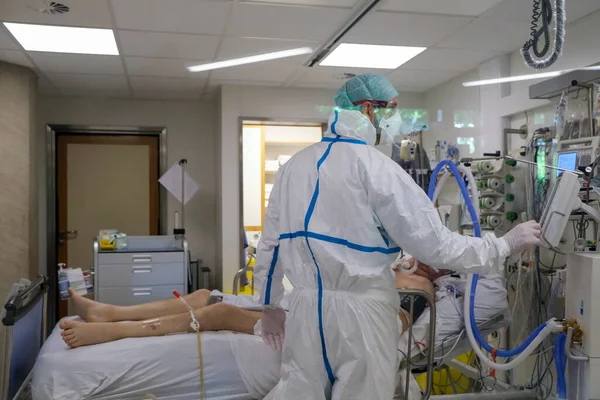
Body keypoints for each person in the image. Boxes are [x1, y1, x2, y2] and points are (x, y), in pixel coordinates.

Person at [253, 73, 541, 400]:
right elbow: (436, 245)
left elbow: (271, 244)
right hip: (361, 314)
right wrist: (503, 245)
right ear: (368, 110)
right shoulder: (377, 169)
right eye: (392, 108)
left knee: (300, 394)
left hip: (304, 310)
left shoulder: (294, 166)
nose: (397, 119)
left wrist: (269, 305)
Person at [59, 268, 434, 348]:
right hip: (303, 309)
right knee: (207, 295)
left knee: (219, 314)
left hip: (322, 329)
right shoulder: (394, 267)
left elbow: (391, 327)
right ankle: (109, 311)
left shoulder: (422, 289)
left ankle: (112, 330)